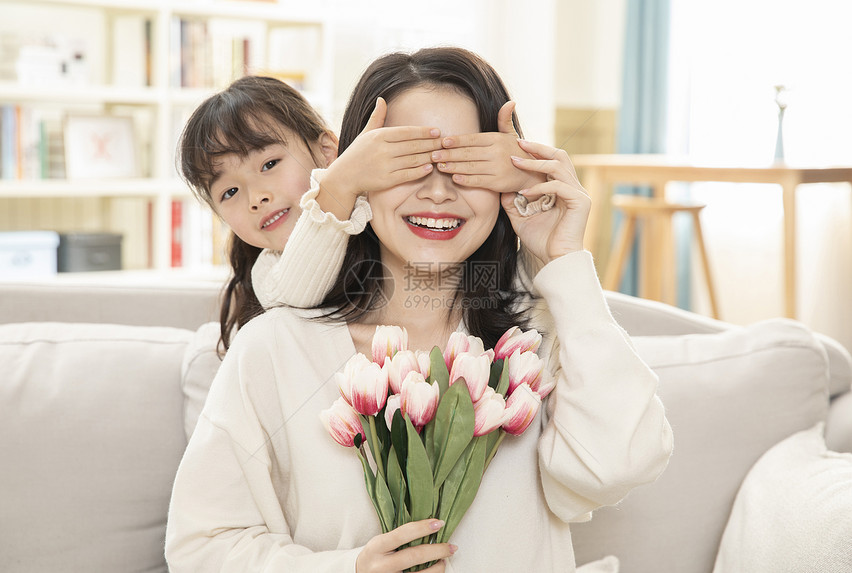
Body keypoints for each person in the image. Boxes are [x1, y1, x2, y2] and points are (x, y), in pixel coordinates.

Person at [166, 47, 673, 572]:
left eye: (465, 164)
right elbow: (202, 548)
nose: (437, 190)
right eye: (408, 161)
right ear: (355, 171)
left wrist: (560, 258)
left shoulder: (539, 335)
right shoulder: (273, 348)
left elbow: (614, 470)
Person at [177, 75, 442, 352]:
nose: (256, 198)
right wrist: (340, 183)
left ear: (327, 151)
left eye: (269, 164)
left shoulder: (379, 212)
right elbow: (300, 293)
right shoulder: (270, 271)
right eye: (230, 192)